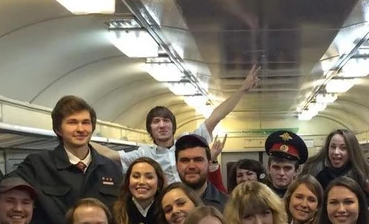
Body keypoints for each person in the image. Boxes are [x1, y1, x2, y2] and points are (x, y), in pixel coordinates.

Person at [0, 96, 123, 224]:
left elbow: (121, 217)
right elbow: (0, 189)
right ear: (58, 129)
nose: (80, 129)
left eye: (85, 123)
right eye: (72, 122)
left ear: (92, 127)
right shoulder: (38, 165)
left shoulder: (110, 169)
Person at [92, 65, 260, 184]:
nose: (162, 125)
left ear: (173, 126)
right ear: (150, 129)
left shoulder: (189, 141)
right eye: (156, 121)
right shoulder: (144, 154)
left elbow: (216, 117)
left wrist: (242, 90)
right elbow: (109, 154)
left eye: (166, 120)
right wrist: (74, 139)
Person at [304, 129, 369, 200]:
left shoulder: (365, 177)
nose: (336, 152)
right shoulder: (318, 175)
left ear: (352, 151)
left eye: (343, 148)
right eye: (333, 147)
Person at [112, 157, 167, 224]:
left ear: (159, 183)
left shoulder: (166, 211)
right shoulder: (114, 213)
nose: (142, 182)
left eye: (149, 177)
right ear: (128, 182)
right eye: (136, 176)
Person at [176, 135, 229, 212]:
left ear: (209, 164)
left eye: (198, 160)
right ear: (176, 165)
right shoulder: (166, 204)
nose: (191, 166)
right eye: (185, 160)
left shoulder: (228, 206)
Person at [263, 130, 306, 198]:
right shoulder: (261, 197)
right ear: (269, 169)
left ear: (296, 171)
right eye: (276, 167)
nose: (281, 173)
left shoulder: (302, 196)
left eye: (287, 168)